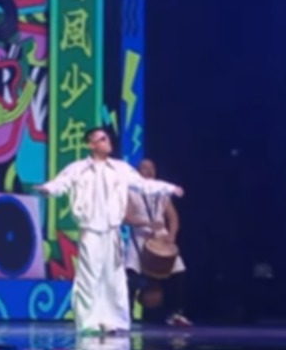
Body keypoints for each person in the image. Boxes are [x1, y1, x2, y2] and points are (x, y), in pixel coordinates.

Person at [34, 128, 184, 335]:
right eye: (102, 139)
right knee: (89, 276)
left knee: (114, 277)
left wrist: (168, 188)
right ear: (91, 144)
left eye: (107, 138)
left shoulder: (120, 169)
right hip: (90, 229)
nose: (107, 141)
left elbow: (143, 185)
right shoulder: (78, 169)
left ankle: (116, 321)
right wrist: (48, 189)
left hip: (112, 231)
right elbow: (61, 183)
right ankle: (88, 322)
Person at [124, 158, 192, 327]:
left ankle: (176, 314)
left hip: (161, 237)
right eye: (144, 168)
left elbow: (173, 217)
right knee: (131, 276)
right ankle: (127, 317)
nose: (149, 171)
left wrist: (172, 235)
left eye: (152, 168)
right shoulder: (131, 191)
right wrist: (146, 223)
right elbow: (126, 217)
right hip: (140, 235)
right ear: (138, 172)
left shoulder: (162, 192)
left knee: (179, 272)